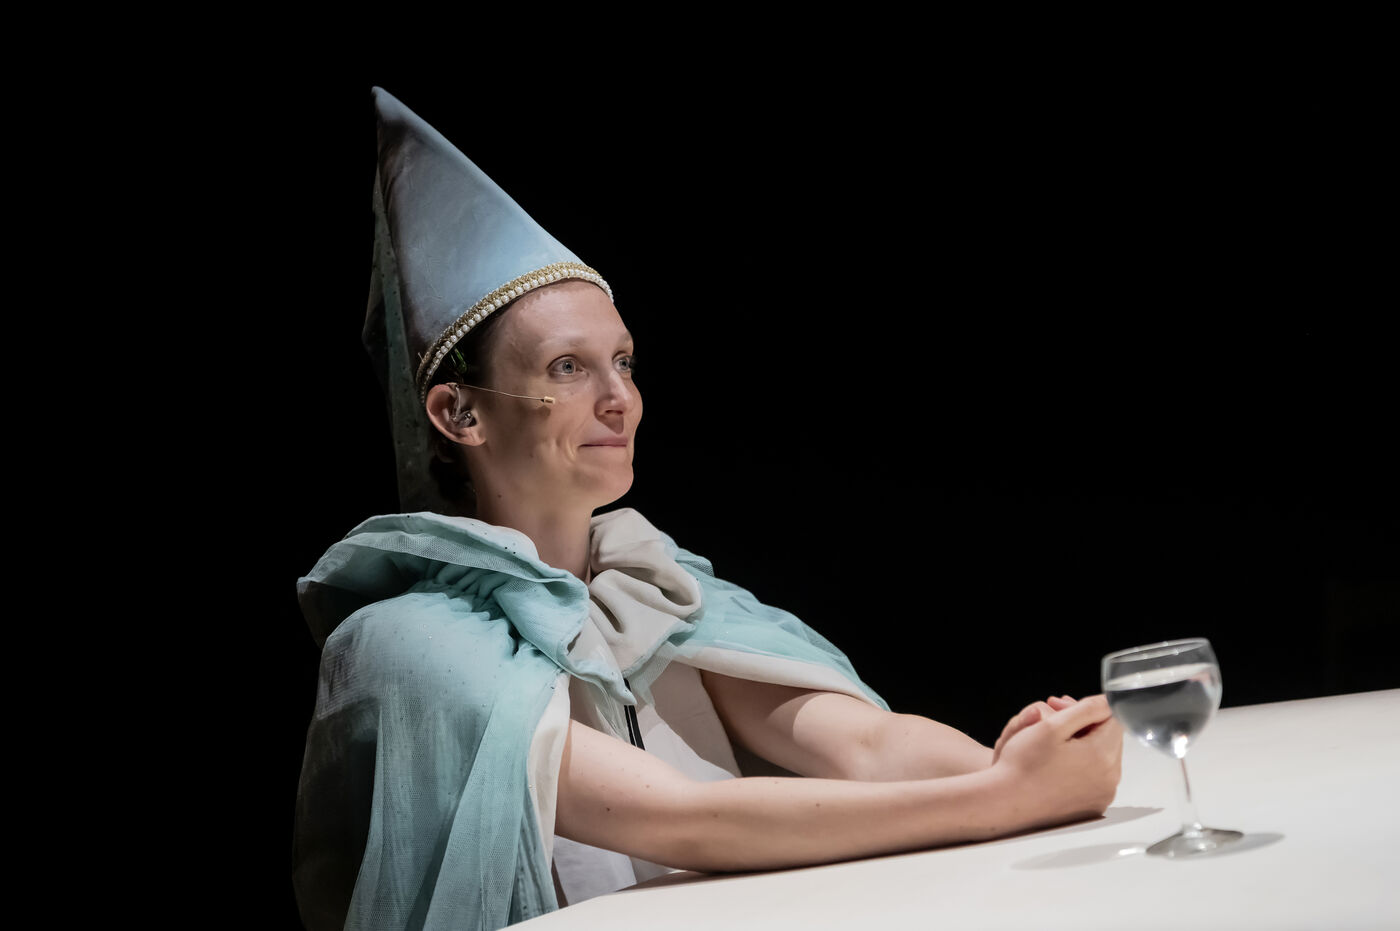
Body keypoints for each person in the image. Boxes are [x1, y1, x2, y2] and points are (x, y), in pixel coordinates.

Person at [292, 87, 1123, 931]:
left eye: (624, 361)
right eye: (568, 368)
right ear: (459, 413)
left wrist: (1013, 759)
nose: (619, 398)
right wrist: (1002, 796)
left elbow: (864, 743)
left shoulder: (652, 588)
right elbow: (683, 818)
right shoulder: (406, 643)